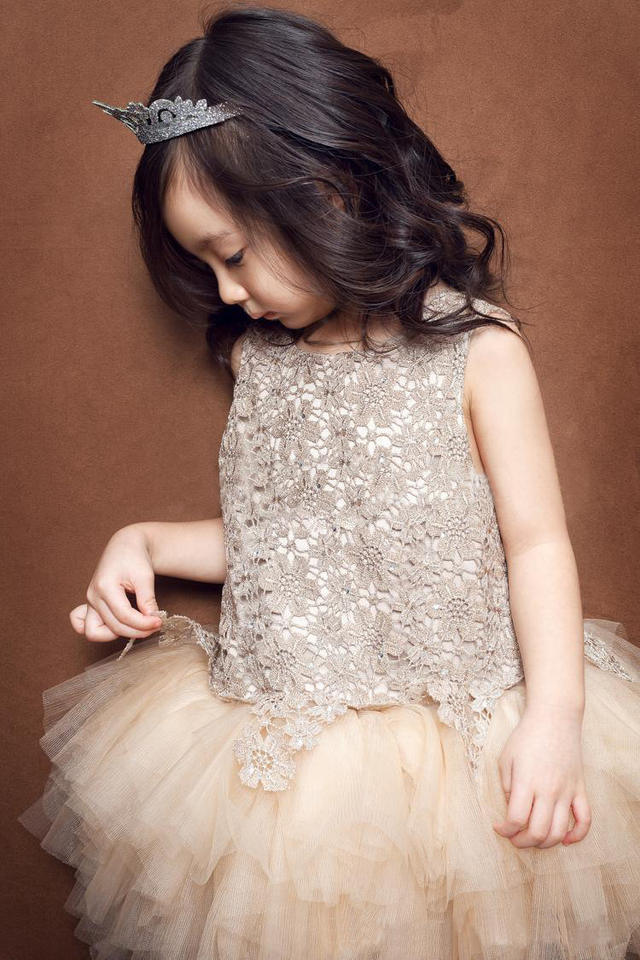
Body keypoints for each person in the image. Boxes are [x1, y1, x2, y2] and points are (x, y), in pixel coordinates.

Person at [18, 6, 640, 959]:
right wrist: (141, 541)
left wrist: (555, 718)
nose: (227, 293)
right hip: (296, 771)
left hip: (465, 747)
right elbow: (288, 541)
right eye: (204, 266)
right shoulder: (262, 363)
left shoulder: (477, 352)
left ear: (332, 193)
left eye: (232, 254)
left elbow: (537, 543)